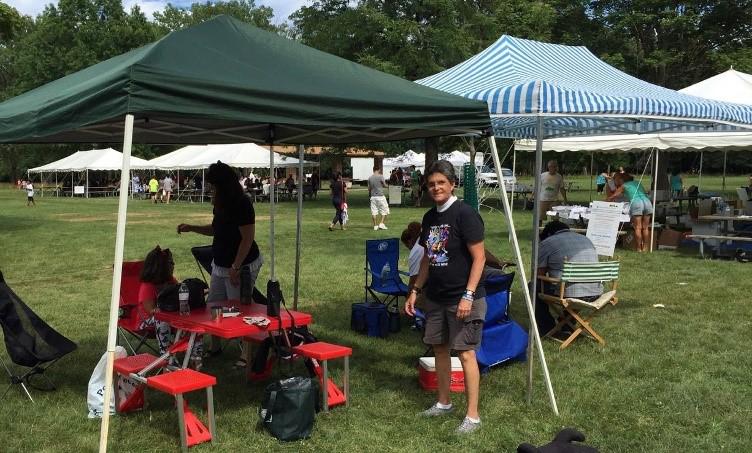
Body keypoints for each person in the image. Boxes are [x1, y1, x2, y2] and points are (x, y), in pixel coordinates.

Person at [404, 160, 487, 434]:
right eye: (431, 184)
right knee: (439, 348)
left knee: (465, 353)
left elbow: (480, 258)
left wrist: (468, 295)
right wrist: (415, 290)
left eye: (441, 182)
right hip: (436, 297)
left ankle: (472, 416)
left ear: (452, 184)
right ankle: (443, 402)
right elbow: (428, 258)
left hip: (464, 297)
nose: (436, 187)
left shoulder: (465, 214)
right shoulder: (430, 218)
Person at [177, 161, 264, 305]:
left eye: (213, 185)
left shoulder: (242, 203)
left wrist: (236, 267)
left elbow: (247, 239)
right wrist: (192, 228)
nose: (210, 189)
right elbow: (216, 229)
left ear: (223, 185)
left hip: (240, 265)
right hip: (220, 265)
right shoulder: (220, 203)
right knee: (213, 305)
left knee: (236, 307)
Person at [534, 221, 602, 336]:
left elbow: (538, 274)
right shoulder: (586, 239)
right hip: (596, 292)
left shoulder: (548, 242)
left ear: (549, 234)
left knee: (534, 286)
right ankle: (567, 324)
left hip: (571, 294)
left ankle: (547, 328)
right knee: (574, 285)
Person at [137, 246, 188, 360]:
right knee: (162, 319)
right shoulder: (148, 286)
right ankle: (166, 357)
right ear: (160, 267)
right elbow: (151, 310)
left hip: (170, 317)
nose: (173, 264)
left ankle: (191, 353)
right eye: (170, 262)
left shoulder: (171, 281)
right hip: (146, 321)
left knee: (189, 317)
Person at [608, 173, 653, 252]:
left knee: (638, 227)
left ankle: (639, 248)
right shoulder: (637, 183)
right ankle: (645, 248)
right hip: (647, 202)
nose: (616, 182)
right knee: (645, 228)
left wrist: (603, 201)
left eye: (617, 180)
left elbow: (613, 196)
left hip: (636, 203)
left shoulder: (624, 186)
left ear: (621, 179)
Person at [368, 167, 390, 231]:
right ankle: (381, 223)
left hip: (373, 196)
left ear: (373, 170)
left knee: (374, 211)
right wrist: (388, 185)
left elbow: (369, 188)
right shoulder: (381, 176)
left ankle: (375, 226)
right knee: (385, 210)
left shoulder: (370, 178)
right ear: (378, 170)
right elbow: (385, 185)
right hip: (380, 196)